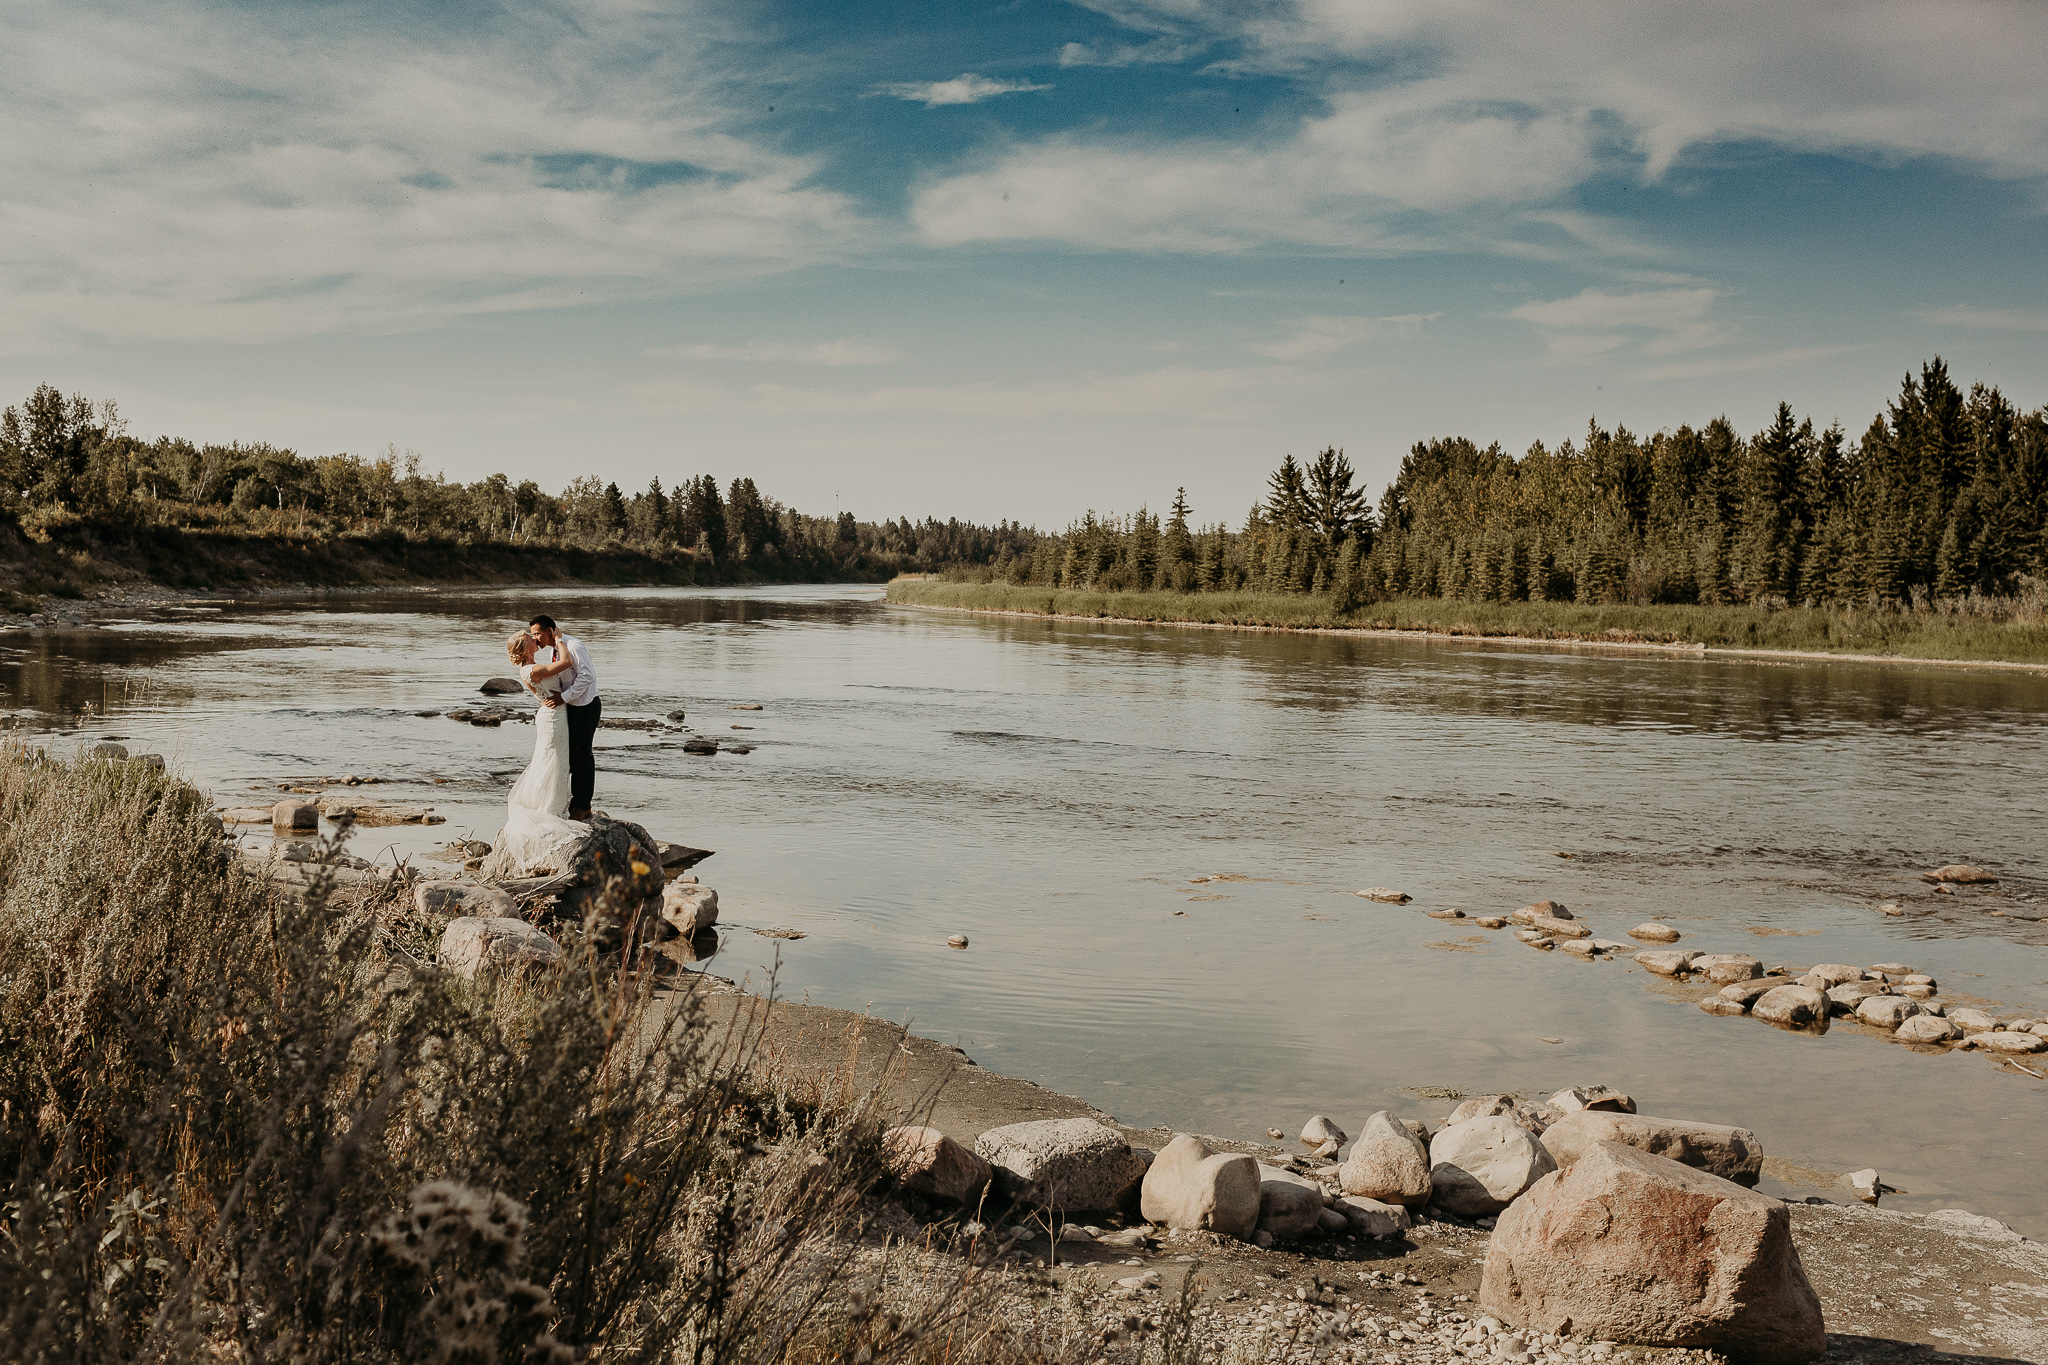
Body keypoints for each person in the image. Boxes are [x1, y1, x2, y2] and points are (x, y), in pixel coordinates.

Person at [480, 631, 586, 877]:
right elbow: (566, 663)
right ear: (524, 646)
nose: (533, 637)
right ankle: (550, 808)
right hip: (553, 719)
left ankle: (554, 803)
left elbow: (540, 695)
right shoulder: (532, 670)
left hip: (552, 714)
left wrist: (553, 700)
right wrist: (559, 639)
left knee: (552, 761)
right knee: (555, 761)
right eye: (529, 636)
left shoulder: (529, 668)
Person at [526, 614, 601, 819]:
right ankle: (571, 802)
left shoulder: (574, 646)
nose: (535, 639)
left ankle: (583, 806)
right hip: (569, 705)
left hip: (585, 705)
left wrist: (564, 698)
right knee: (570, 755)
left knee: (582, 755)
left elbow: (588, 676)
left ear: (549, 631)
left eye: (537, 634)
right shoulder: (554, 650)